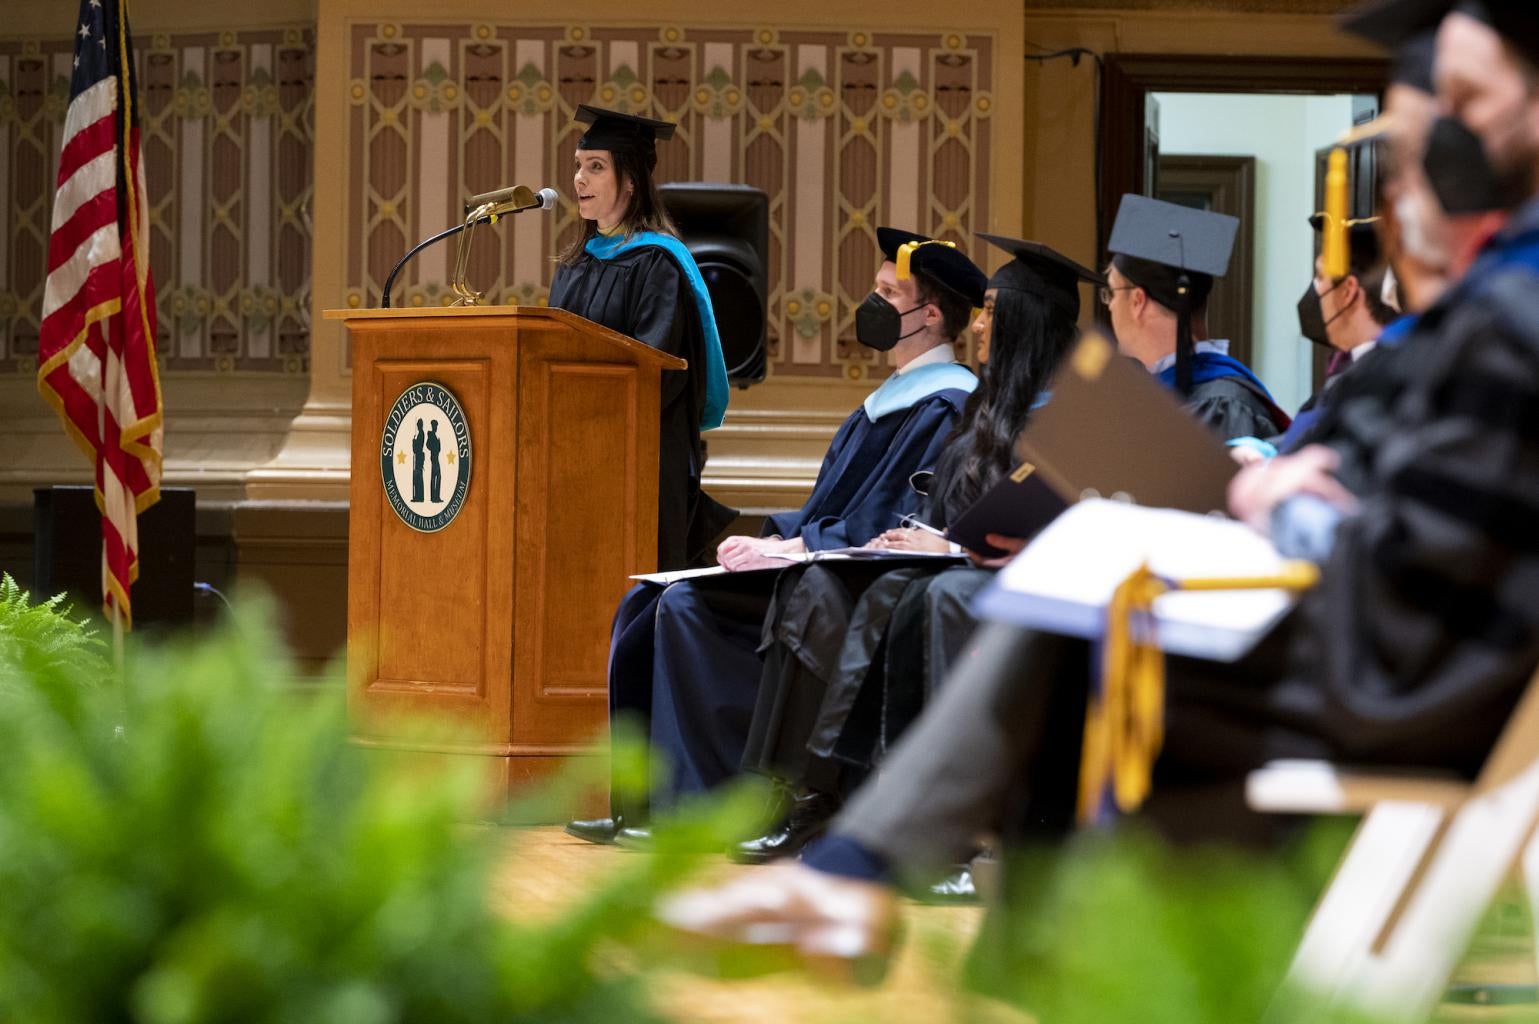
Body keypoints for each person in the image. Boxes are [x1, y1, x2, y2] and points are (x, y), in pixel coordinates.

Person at [659, 2, 1539, 967]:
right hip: (1374, 642)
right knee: (1058, 589)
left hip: (1395, 675)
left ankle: (865, 877)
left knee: (1070, 598)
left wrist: (1273, 504)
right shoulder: (1483, 311)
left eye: (1459, 104)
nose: (1426, 155)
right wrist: (1271, 492)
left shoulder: (1506, 321)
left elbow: (1416, 557)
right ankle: (860, 873)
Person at [565, 228, 988, 845]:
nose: (870, 303)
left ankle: (708, 809)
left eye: (887, 292)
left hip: (854, 580)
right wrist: (776, 540)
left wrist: (794, 547)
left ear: (929, 314)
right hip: (819, 559)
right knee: (647, 604)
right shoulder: (887, 400)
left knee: (685, 607)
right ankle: (654, 805)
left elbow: (894, 521)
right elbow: (829, 506)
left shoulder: (947, 405)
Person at [731, 235, 1099, 867]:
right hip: (941, 565)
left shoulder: (1064, 417)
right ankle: (806, 795)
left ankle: (837, 799)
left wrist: (947, 542)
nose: (980, 325)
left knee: (883, 597)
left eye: (992, 312)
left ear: (1025, 324)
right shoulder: (988, 409)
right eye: (980, 310)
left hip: (1001, 580)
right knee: (849, 591)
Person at [547, 105, 731, 570]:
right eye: (577, 166)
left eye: (595, 167)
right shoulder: (576, 266)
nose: (579, 180)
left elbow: (657, 375)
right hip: (573, 461)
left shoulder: (658, 265)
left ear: (630, 180)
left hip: (637, 466)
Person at [1104, 195, 1290, 440]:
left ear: (1138, 301)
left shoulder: (1223, 405)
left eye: (1110, 293)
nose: (1109, 306)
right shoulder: (1145, 394)